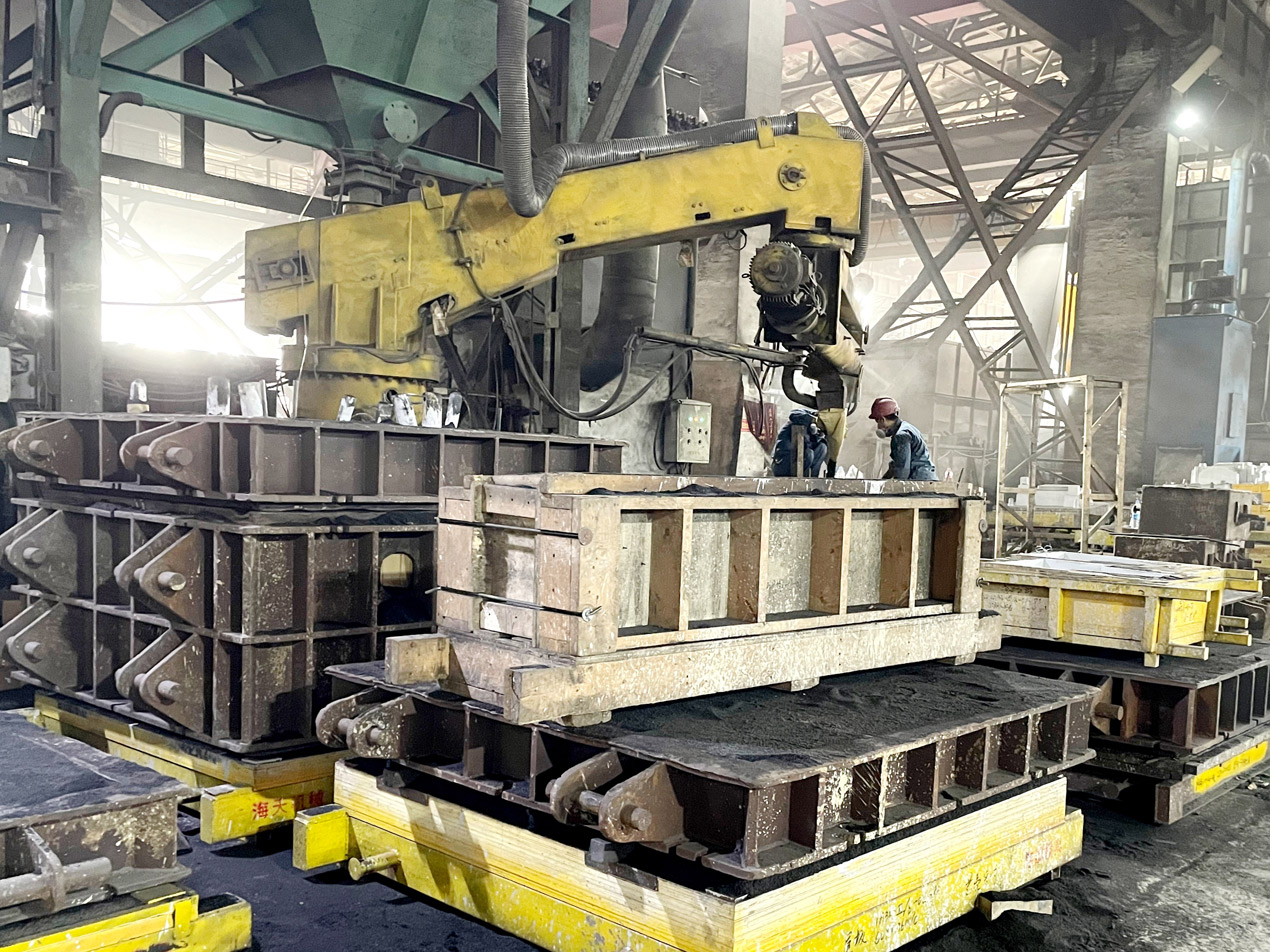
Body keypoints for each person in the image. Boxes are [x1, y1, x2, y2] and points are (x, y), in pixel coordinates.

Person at [869, 396, 936, 480]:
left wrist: (893, 485)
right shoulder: (907, 428)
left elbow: (902, 471)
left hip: (919, 481)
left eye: (877, 421)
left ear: (882, 419)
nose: (878, 426)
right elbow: (896, 464)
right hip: (926, 478)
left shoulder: (900, 436)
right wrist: (882, 481)